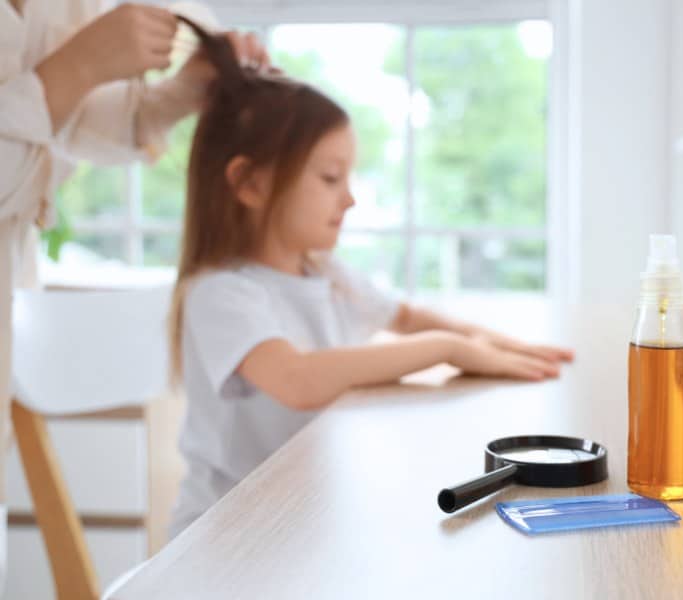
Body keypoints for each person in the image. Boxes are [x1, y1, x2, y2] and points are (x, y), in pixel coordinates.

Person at [168, 20, 575, 537]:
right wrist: (447, 347)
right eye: (330, 178)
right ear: (249, 182)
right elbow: (297, 380)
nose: (350, 198)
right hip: (223, 540)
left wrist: (503, 347)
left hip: (297, 520)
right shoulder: (220, 293)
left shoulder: (322, 271)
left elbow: (404, 317)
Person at [0, 1, 267, 588]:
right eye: (328, 178)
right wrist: (78, 64)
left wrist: (176, 92)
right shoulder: (226, 297)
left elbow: (67, 124)